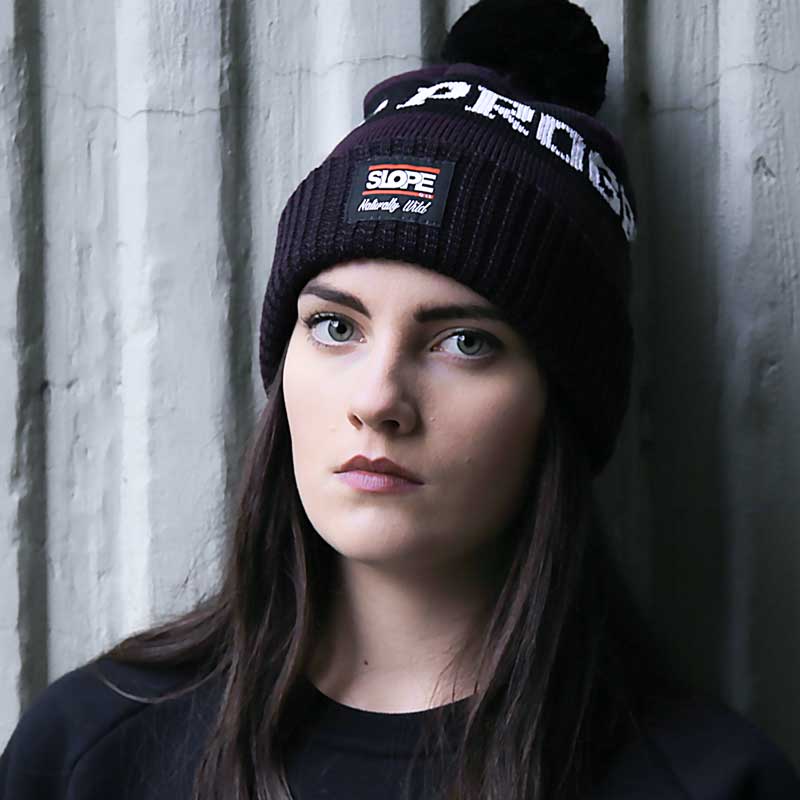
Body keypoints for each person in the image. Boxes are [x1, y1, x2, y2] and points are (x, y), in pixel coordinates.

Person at [2, 1, 799, 798]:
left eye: (465, 342)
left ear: (565, 402)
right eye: (335, 326)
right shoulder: (90, 754)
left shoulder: (710, 784)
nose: (378, 399)